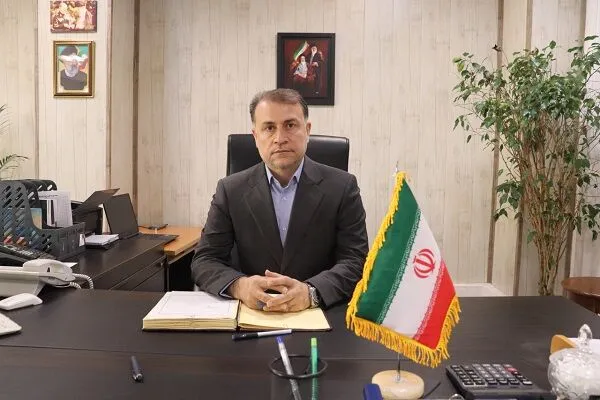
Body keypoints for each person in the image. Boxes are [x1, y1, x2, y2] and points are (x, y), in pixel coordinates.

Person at [191, 88, 368, 312]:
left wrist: (311, 293)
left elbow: (356, 261)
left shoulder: (343, 187)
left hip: (318, 313)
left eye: (290, 125)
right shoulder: (230, 190)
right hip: (253, 314)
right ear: (256, 137)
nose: (280, 138)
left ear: (307, 130)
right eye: (269, 128)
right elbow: (205, 259)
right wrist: (239, 286)